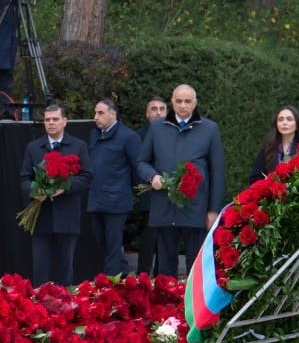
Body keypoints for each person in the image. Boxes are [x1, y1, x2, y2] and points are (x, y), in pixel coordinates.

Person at [136, 84, 226, 278]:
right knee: (165, 267)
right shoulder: (157, 127)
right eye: (179, 101)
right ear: (172, 102)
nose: (183, 105)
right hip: (164, 205)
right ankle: (165, 298)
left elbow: (217, 172)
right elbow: (142, 162)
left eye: (187, 101)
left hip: (196, 207)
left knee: (196, 266)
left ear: (195, 103)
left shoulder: (209, 129)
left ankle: (192, 298)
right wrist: (152, 176)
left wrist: (213, 210)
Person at [20, 104, 93, 286]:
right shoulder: (34, 147)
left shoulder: (78, 146)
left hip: (67, 216)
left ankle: (64, 301)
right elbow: (24, 178)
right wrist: (35, 191)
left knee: (65, 266)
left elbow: (87, 176)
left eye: (55, 119)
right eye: (47, 120)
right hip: (41, 216)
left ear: (64, 121)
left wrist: (65, 187)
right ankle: (39, 301)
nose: (51, 123)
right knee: (40, 266)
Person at [86, 99, 140, 276]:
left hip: (116, 201)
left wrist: (126, 190)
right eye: (95, 113)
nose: (96, 117)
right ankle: (126, 275)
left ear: (113, 114)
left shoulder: (128, 137)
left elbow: (137, 167)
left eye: (100, 113)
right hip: (96, 199)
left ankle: (110, 284)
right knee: (104, 244)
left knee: (113, 245)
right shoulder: (94, 135)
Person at [135, 98, 168, 276]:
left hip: (169, 196)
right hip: (149, 195)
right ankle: (143, 276)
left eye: (162, 109)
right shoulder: (139, 137)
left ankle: (162, 276)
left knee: (166, 240)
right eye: (154, 109)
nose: (158, 112)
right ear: (147, 114)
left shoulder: (174, 134)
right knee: (149, 239)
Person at [251, 106, 299, 181]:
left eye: (289, 119)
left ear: (297, 124)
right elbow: (255, 176)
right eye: (280, 120)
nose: (284, 123)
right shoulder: (268, 148)